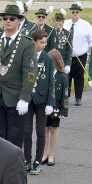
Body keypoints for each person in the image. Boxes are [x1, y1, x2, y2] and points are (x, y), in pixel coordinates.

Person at [0, 4, 37, 148]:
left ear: (19, 20)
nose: (7, 21)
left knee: (14, 138)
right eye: (5, 18)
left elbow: (30, 73)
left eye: (12, 18)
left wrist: (24, 97)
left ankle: (13, 169)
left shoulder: (27, 43)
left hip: (16, 97)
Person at [24, 29, 54, 175]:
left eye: (45, 42)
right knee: (27, 130)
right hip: (28, 99)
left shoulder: (48, 59)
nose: (44, 45)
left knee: (40, 131)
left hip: (42, 100)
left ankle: (37, 160)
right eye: (41, 42)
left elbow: (50, 82)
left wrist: (50, 102)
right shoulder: (27, 57)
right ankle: (26, 159)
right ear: (34, 41)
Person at [63, 2, 92, 106]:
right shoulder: (65, 23)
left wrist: (90, 53)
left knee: (79, 76)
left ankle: (78, 97)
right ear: (70, 13)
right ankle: (65, 97)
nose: (75, 14)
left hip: (81, 55)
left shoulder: (86, 25)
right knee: (66, 76)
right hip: (67, 55)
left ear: (80, 13)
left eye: (77, 12)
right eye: (73, 12)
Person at [43, 49, 69, 167]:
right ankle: (44, 153)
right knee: (44, 129)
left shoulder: (62, 76)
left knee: (53, 129)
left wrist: (64, 110)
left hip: (57, 106)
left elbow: (65, 95)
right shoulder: (44, 73)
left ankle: (52, 154)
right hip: (44, 105)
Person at [47, 9, 72, 74]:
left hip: (62, 62)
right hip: (50, 61)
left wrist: (68, 64)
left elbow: (69, 51)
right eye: (56, 21)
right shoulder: (49, 32)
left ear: (63, 22)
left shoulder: (68, 34)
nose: (57, 22)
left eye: (60, 21)